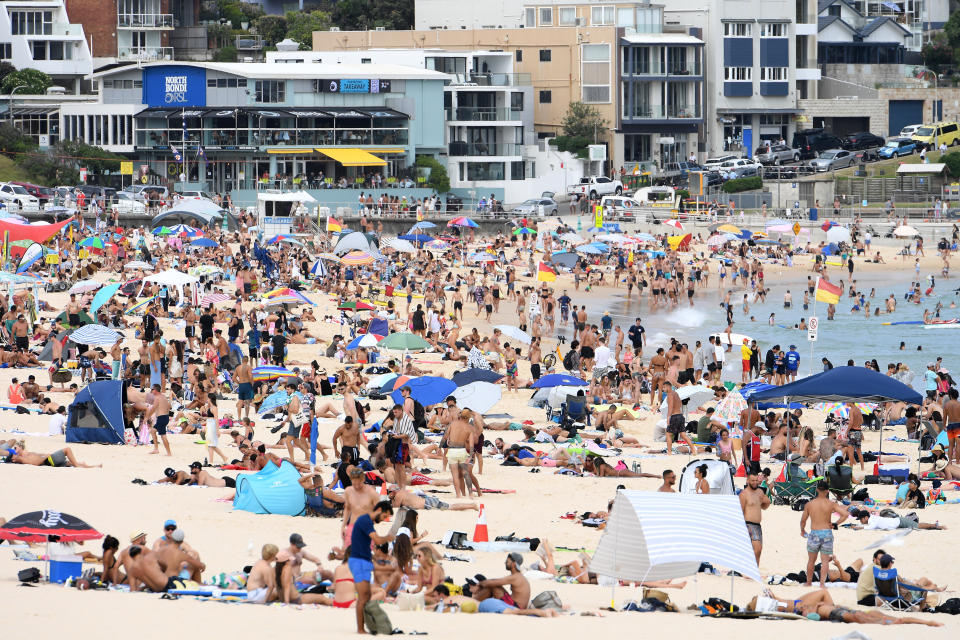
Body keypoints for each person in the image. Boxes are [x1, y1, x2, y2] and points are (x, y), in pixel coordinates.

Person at [349, 500, 395, 634]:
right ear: (379, 510)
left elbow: (363, 544)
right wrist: (388, 537)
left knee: (366, 596)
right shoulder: (366, 521)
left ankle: (366, 626)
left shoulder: (366, 521)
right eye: (384, 516)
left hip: (363, 561)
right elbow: (378, 540)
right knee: (363, 597)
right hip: (359, 562)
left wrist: (374, 559)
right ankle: (360, 629)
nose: (384, 519)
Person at [800, 480, 849, 588]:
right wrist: (836, 524)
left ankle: (809, 582)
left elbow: (803, 520)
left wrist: (802, 530)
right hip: (827, 533)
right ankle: (822, 584)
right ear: (827, 491)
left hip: (814, 533)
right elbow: (845, 514)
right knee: (825, 561)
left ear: (817, 489)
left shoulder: (810, 504)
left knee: (811, 561)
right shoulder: (831, 504)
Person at [740, 471, 771, 563]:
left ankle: (753, 571)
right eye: (752, 480)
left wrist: (767, 502)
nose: (755, 482)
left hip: (757, 525)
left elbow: (763, 507)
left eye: (756, 480)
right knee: (756, 549)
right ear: (748, 480)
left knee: (758, 551)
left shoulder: (760, 492)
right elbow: (740, 511)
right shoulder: (744, 494)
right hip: (747, 524)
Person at [10, 443, 100, 468]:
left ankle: (93, 466)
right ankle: (77, 465)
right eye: (14, 449)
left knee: (71, 462)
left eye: (15, 448)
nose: (15, 450)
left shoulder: (24, 454)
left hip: (49, 460)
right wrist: (45, 457)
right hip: (49, 460)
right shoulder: (21, 458)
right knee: (67, 450)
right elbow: (35, 462)